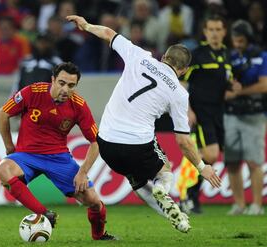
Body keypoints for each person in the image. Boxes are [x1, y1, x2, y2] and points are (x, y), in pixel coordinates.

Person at [66, 15, 221, 233]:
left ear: (164, 56)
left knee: (136, 179)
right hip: (137, 145)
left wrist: (86, 25)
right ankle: (162, 189)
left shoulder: (139, 56)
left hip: (107, 145)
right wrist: (202, 167)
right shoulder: (179, 93)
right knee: (165, 171)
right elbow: (183, 141)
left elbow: (109, 34)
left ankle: (177, 218)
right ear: (184, 70)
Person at [0, 62, 116, 241]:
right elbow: (2, 114)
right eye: (61, 83)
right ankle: (45, 214)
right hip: (26, 155)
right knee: (3, 170)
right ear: (52, 80)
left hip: (58, 159)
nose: (65, 89)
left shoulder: (79, 105)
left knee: (93, 202)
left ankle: (99, 235)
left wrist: (82, 173)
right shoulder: (32, 92)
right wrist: (9, 147)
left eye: (71, 85)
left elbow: (95, 142)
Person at [181, 14, 240, 214]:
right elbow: (181, 84)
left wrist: (234, 89)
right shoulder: (197, 55)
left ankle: (190, 194)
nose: (214, 33)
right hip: (201, 111)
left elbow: (227, 85)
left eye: (218, 29)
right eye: (211, 29)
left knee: (212, 156)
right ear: (205, 32)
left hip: (219, 111)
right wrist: (187, 110)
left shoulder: (227, 54)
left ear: (224, 32)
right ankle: (190, 194)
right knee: (212, 154)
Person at [224, 20, 267, 215]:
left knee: (254, 161)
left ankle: (257, 204)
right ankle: (239, 204)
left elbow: (264, 85)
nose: (238, 44)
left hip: (254, 115)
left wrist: (239, 93)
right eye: (235, 40)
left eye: (241, 40)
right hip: (231, 114)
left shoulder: (261, 57)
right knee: (232, 162)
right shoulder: (229, 57)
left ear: (248, 39)